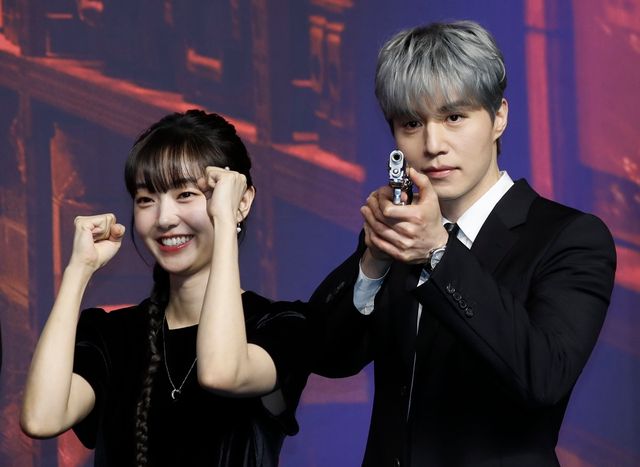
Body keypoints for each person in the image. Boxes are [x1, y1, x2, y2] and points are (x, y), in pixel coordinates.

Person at [311, 21, 616, 466]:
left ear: (499, 117)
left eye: (454, 117)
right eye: (411, 123)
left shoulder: (571, 238)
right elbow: (326, 355)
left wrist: (438, 251)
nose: (433, 144)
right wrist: (373, 260)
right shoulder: (400, 233)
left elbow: (544, 377)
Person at [20, 109, 314, 466]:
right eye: (146, 199)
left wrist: (225, 220)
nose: (163, 218)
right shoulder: (112, 334)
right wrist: (78, 270)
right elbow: (41, 419)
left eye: (186, 194)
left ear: (242, 201)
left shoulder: (281, 327)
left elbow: (222, 371)